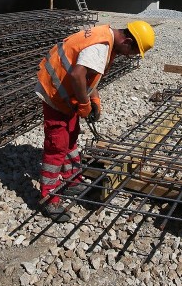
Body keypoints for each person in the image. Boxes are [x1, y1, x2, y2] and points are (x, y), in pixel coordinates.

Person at [34, 21, 156, 222]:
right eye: (130, 52)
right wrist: (84, 104)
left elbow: (88, 76)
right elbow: (77, 75)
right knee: (58, 144)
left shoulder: (105, 36)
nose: (127, 56)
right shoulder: (101, 46)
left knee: (71, 134)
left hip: (65, 92)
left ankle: (72, 180)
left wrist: (94, 99)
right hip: (55, 92)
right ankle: (49, 197)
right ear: (126, 41)